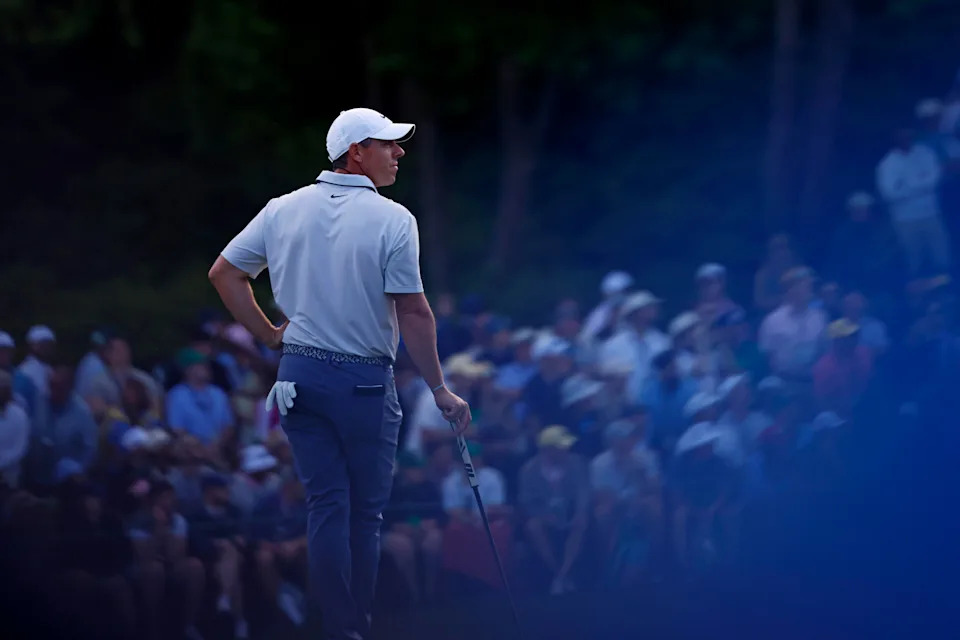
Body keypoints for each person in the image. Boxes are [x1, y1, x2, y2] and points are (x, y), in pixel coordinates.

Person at [208, 107, 470, 640]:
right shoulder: (394, 219)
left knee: (326, 508)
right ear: (357, 152)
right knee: (365, 516)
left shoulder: (281, 209)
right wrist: (440, 388)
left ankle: (338, 629)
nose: (398, 152)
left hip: (296, 379)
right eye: (388, 144)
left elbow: (225, 275)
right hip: (364, 385)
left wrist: (269, 336)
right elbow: (415, 312)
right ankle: (355, 629)